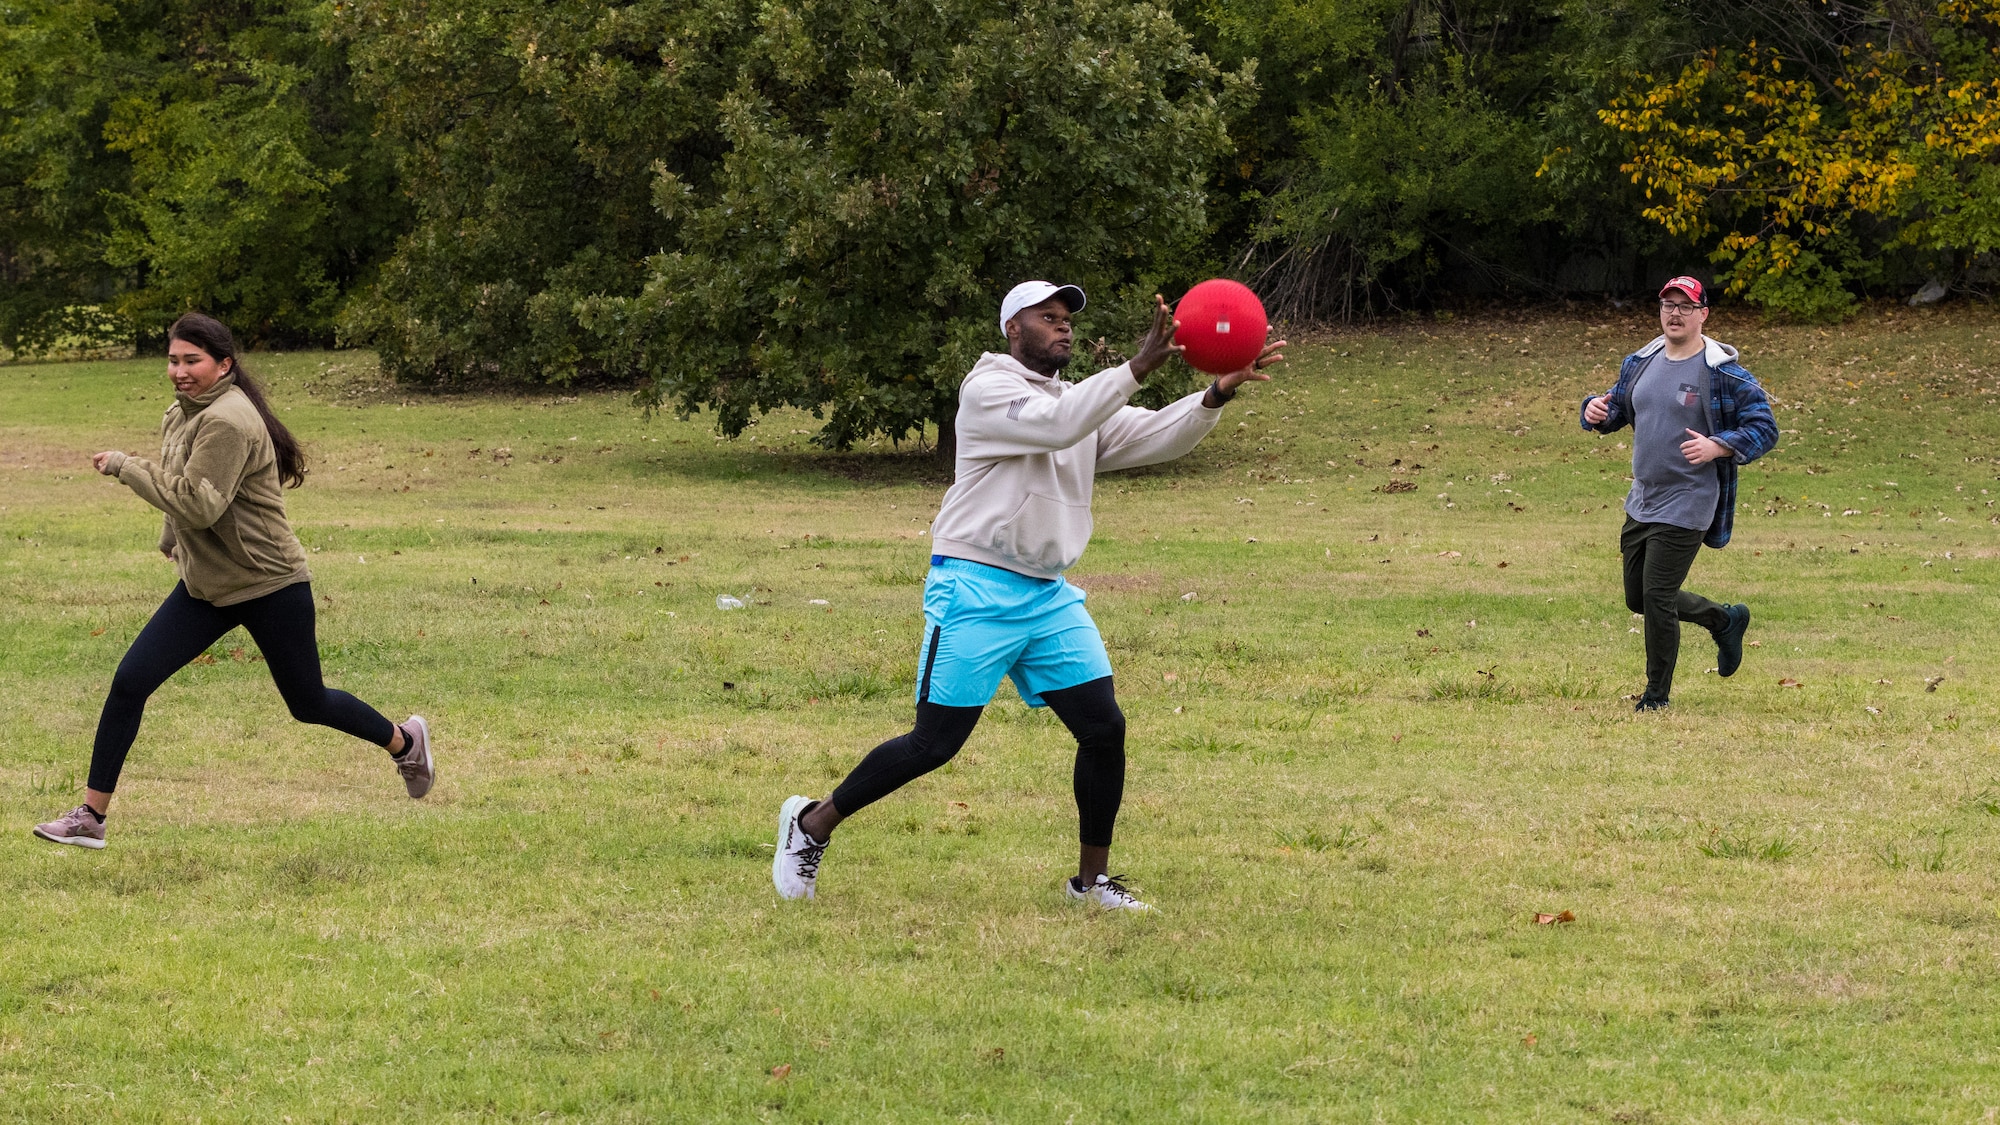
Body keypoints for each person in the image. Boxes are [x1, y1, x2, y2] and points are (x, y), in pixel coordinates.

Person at [772, 281, 1283, 910]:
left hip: (1048, 597)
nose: (1064, 327)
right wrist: (1138, 366)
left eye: (1067, 319)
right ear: (1014, 328)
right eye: (1050, 318)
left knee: (1104, 729)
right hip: (975, 585)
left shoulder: (1077, 401)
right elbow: (1055, 425)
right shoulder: (987, 391)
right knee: (934, 744)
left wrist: (1215, 392)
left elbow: (1155, 437)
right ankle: (810, 825)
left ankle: (1090, 884)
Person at [31, 312, 434, 850]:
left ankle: (405, 742)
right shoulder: (181, 413)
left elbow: (199, 503)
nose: (179, 371)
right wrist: (171, 541)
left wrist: (127, 467)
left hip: (269, 584)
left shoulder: (229, 420)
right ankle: (91, 817)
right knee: (130, 681)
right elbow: (184, 486)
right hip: (208, 587)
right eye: (173, 359)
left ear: (223, 365)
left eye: (191, 360)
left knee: (308, 702)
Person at [1580, 277, 1778, 711]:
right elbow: (1618, 409)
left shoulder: (1722, 372)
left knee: (1657, 596)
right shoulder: (1641, 361)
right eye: (1668, 305)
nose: (1675, 313)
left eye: (1685, 307)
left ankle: (1656, 697)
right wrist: (1595, 411)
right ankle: (1724, 620)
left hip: (1691, 498)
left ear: (1703, 314)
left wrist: (1719, 445)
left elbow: (1765, 428)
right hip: (1644, 497)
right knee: (1639, 597)